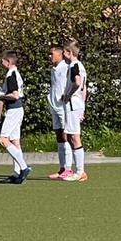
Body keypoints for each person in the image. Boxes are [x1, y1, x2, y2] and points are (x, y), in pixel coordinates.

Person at [0, 51, 31, 184]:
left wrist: (1, 95)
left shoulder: (11, 75)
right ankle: (17, 173)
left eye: (3, 61)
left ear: (8, 62)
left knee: (3, 140)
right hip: (17, 109)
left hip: (14, 110)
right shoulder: (15, 73)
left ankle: (23, 167)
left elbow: (15, 95)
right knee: (15, 141)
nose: (1, 63)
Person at [61, 39, 88, 181]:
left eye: (64, 52)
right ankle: (76, 170)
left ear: (68, 52)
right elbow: (85, 88)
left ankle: (80, 172)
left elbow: (77, 83)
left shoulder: (74, 66)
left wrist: (68, 94)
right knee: (70, 136)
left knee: (74, 137)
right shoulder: (80, 66)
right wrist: (82, 107)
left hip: (72, 105)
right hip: (77, 105)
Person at [47, 43, 72, 180]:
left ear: (60, 53)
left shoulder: (66, 68)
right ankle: (62, 168)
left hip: (63, 107)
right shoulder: (54, 69)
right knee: (59, 136)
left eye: (52, 54)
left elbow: (72, 84)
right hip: (54, 105)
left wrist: (66, 96)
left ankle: (68, 168)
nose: (50, 56)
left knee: (66, 135)